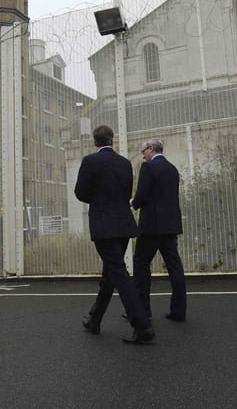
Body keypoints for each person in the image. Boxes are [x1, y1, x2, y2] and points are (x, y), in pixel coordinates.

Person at [74, 125, 155, 344]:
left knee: (118, 273)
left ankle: (142, 325)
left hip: (103, 225)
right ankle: (95, 319)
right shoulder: (125, 163)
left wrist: (99, 200)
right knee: (110, 273)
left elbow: (80, 192)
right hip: (123, 224)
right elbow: (126, 192)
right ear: (112, 140)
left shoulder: (90, 161)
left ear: (95, 141)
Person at [131, 138, 187, 322]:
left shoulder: (147, 168)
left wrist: (133, 203)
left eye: (143, 151)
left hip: (151, 226)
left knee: (141, 263)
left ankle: (142, 310)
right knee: (174, 267)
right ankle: (178, 310)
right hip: (170, 225)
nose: (143, 155)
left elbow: (142, 193)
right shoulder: (172, 169)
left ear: (151, 149)